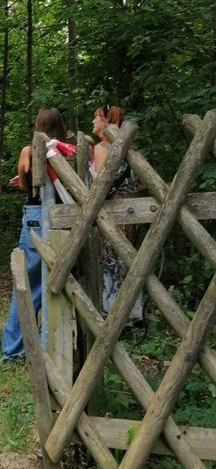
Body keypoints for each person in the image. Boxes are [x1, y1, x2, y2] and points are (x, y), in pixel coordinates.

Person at [1, 107, 73, 361]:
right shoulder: (66, 151)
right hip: (61, 218)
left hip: (34, 216)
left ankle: (13, 348)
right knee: (54, 285)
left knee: (26, 285)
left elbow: (25, 184)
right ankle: (48, 346)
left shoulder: (29, 150)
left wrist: (21, 178)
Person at [91, 104, 143, 319]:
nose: (92, 122)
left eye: (95, 118)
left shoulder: (102, 147)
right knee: (127, 257)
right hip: (133, 208)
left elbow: (102, 181)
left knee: (110, 258)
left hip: (112, 209)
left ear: (105, 120)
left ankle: (112, 310)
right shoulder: (128, 148)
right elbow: (140, 182)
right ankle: (132, 311)